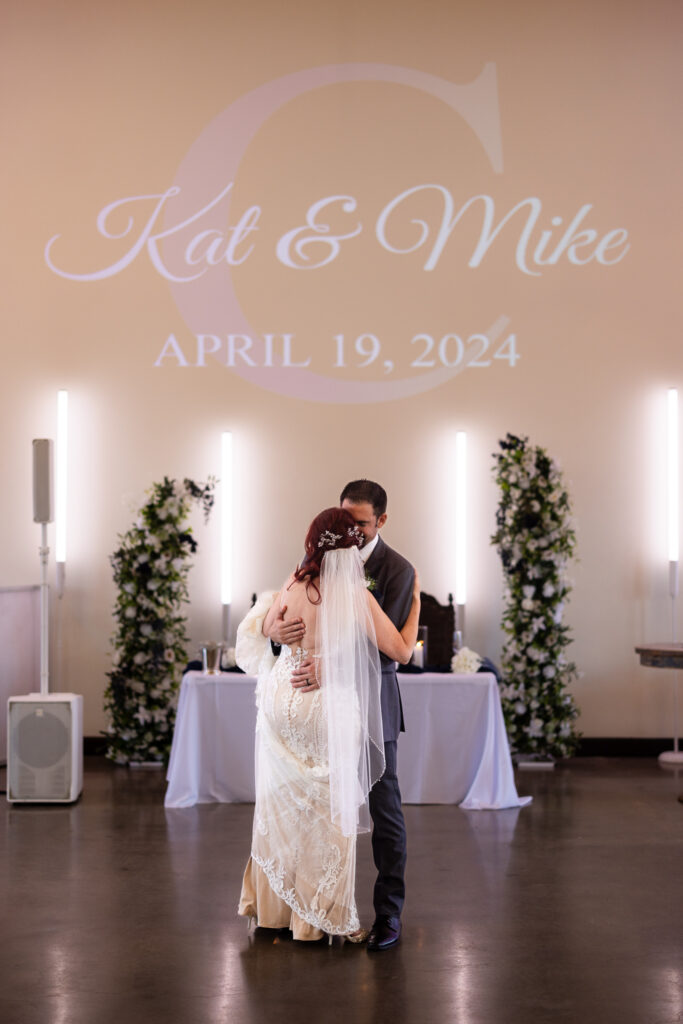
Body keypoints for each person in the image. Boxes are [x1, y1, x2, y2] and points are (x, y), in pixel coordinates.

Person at [236, 506, 420, 944]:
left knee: (280, 807)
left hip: (281, 700)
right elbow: (400, 651)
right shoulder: (352, 593)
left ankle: (273, 909)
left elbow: (264, 626)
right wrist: (413, 608)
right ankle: (314, 918)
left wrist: (276, 630)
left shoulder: (294, 580)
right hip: (320, 707)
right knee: (326, 812)